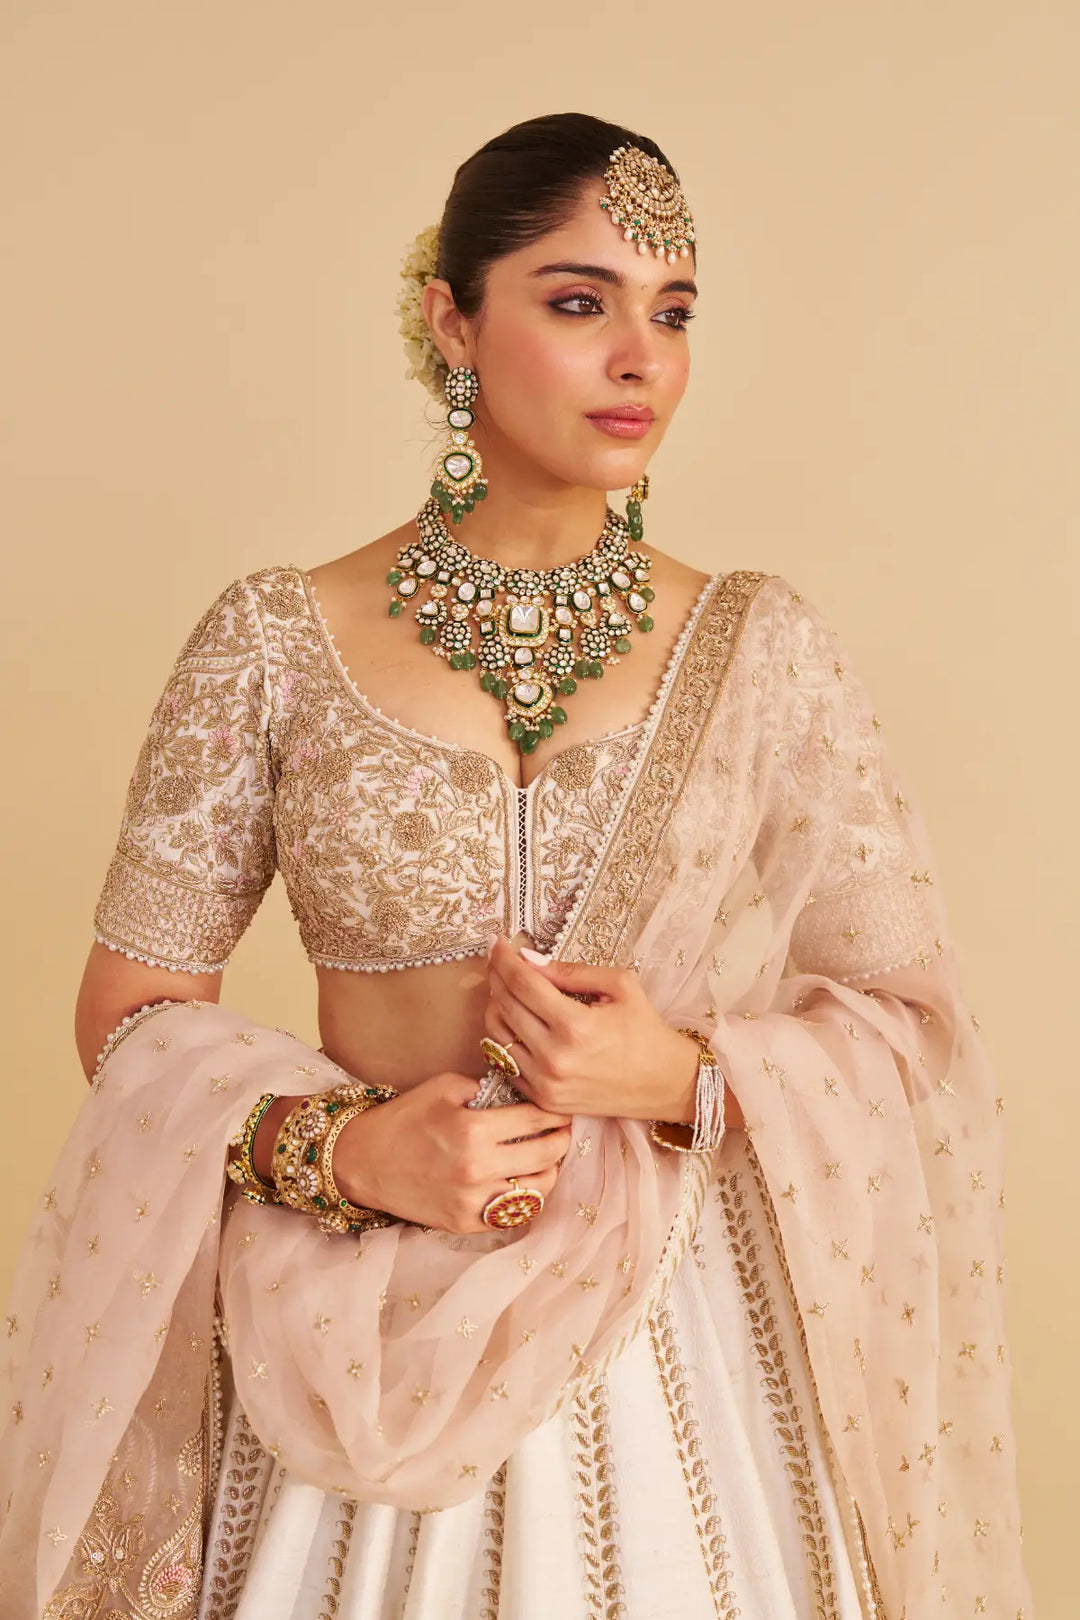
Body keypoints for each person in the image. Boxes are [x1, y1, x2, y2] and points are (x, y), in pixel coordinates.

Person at [0, 112, 1031, 1620]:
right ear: (451, 319)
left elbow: (910, 1034)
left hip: (674, 1332)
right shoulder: (273, 642)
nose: (642, 358)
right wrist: (342, 1154)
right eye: (578, 300)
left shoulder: (765, 653)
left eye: (673, 312)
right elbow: (133, 1010)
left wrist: (682, 1073)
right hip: (341, 1325)